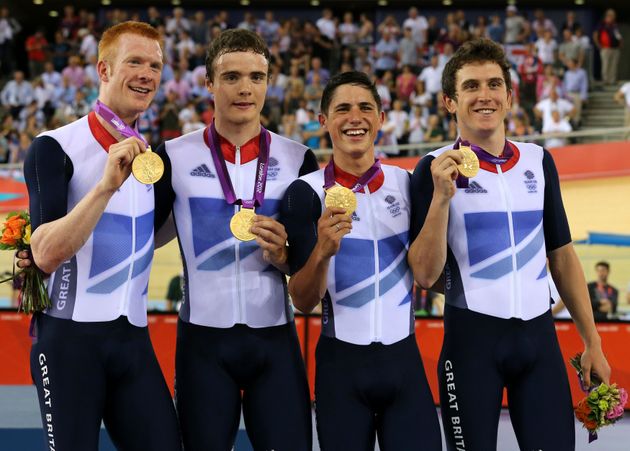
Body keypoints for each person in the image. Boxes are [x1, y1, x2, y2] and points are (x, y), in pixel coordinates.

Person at [408, 38, 610, 451]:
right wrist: (442, 198)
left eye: (494, 84)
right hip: (470, 347)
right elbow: (426, 276)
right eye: (471, 87)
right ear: (449, 101)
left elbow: (562, 255)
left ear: (510, 95)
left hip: (540, 343)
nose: (485, 95)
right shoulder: (431, 167)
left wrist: (593, 342)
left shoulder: (538, 160)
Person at [153, 29, 316, 451]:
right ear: (208, 83)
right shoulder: (172, 156)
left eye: (256, 77)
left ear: (268, 82)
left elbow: (306, 265)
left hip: (274, 340)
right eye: (231, 77)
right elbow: (138, 240)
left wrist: (284, 255)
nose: (245, 88)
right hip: (202, 343)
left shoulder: (299, 159)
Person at [22, 21, 181, 451]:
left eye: (155, 65)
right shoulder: (55, 147)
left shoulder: (153, 158)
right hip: (69, 342)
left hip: (132, 340)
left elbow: (149, 235)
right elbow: (45, 253)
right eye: (135, 62)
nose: (147, 73)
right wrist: (106, 186)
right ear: (104, 70)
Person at [280, 71, 441, 451]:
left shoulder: (408, 184)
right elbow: (302, 301)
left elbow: (429, 276)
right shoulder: (305, 193)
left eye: (366, 107)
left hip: (405, 362)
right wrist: (321, 251)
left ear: (382, 118)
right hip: (340, 369)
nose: (355, 117)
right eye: (343, 109)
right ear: (324, 122)